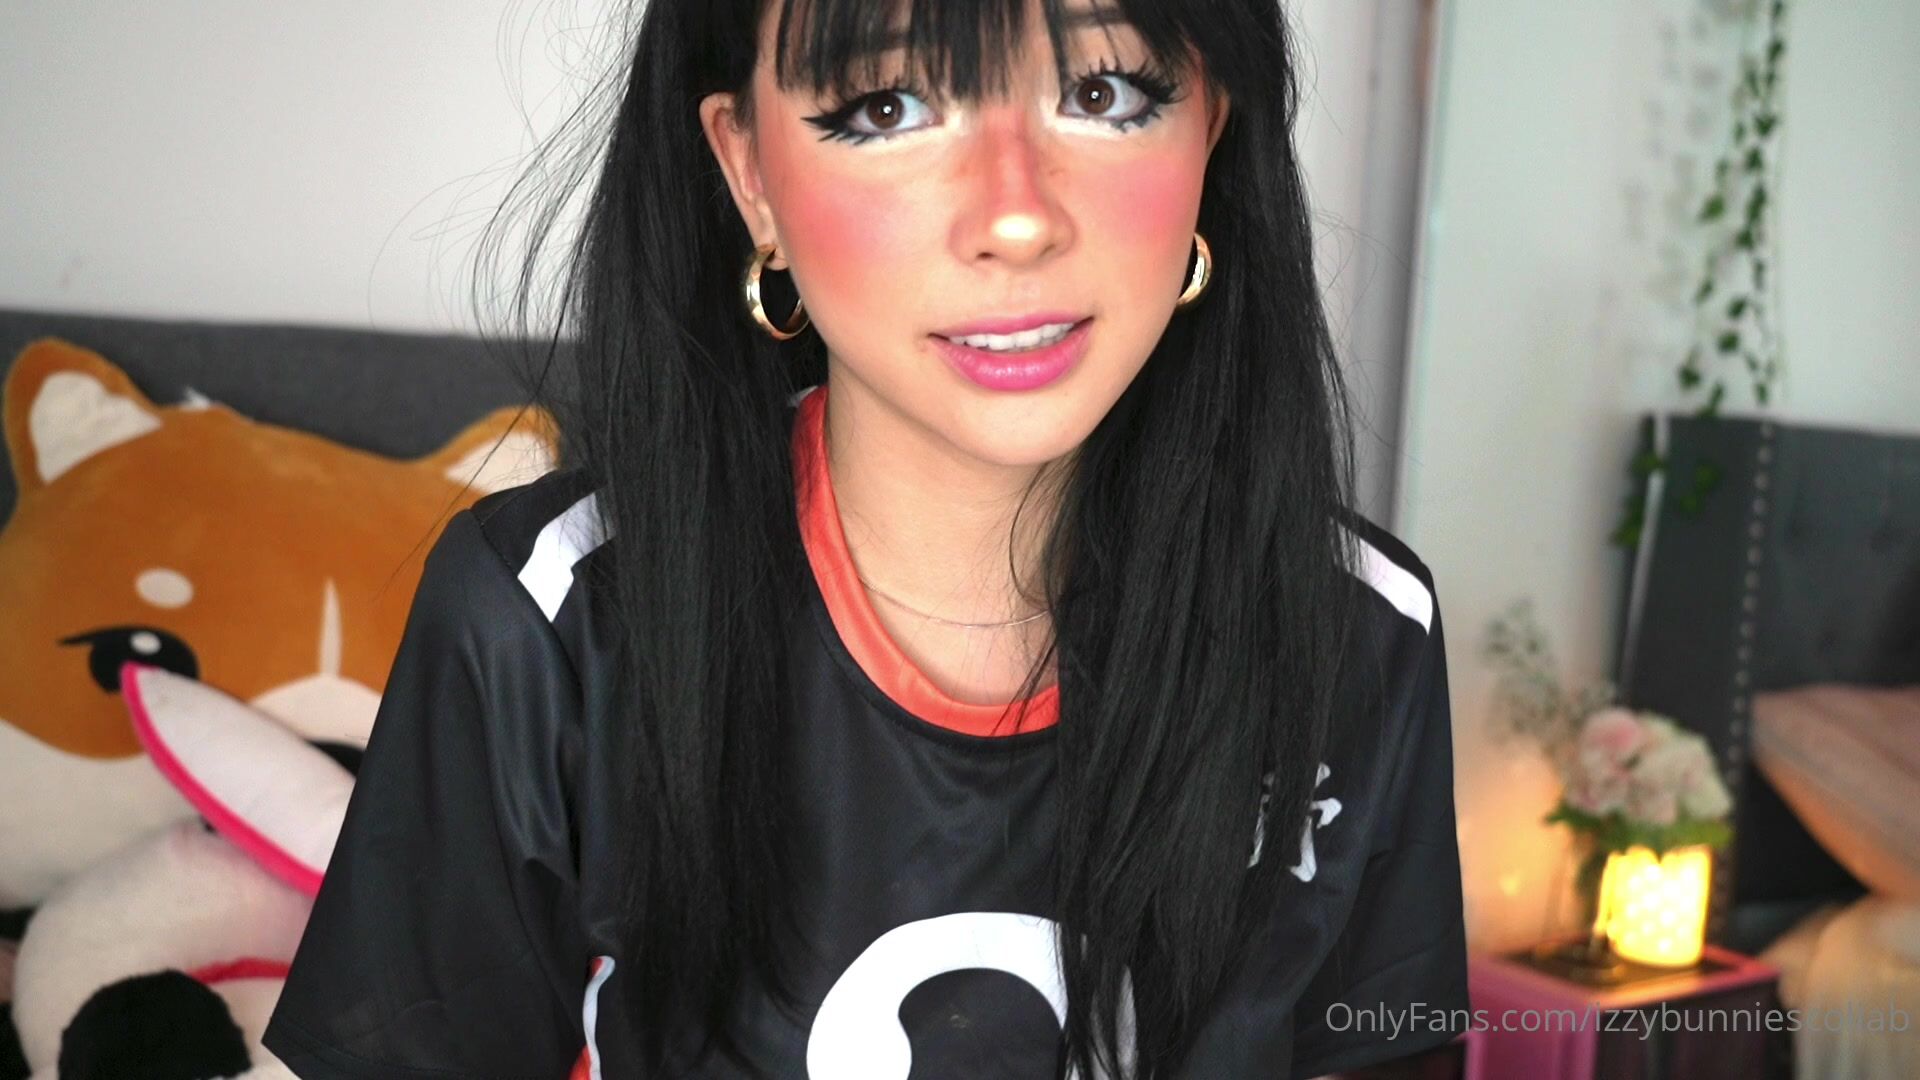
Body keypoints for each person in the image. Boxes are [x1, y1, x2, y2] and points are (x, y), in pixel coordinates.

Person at [261, 0, 1470, 1076]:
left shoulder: (1358, 630)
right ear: (748, 170)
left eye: (1105, 91)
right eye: (889, 106)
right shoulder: (552, 619)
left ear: (1211, 128)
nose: (1015, 218)